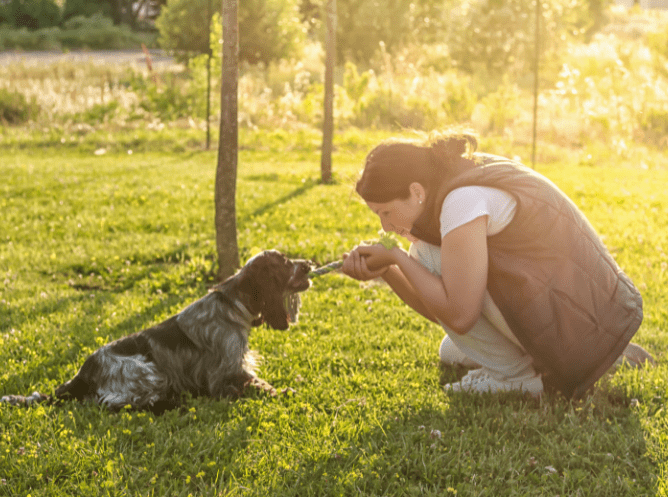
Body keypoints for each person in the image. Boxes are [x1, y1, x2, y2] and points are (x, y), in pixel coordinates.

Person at [341, 130, 654, 399]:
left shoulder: (460, 202)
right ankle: (599, 355)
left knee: (423, 255)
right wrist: (389, 273)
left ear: (416, 191)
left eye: (385, 212)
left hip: (570, 315)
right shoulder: (455, 177)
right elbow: (443, 314)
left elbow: (460, 315)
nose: (384, 226)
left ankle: (515, 379)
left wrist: (397, 258)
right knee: (449, 351)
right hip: (578, 313)